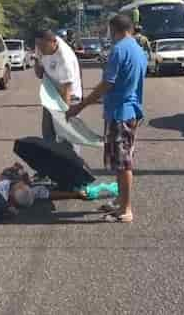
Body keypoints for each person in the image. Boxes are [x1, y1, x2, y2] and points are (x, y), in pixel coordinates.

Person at [67, 15, 146, 224]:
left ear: (115, 29)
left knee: (123, 163)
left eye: (110, 31)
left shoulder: (119, 50)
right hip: (131, 111)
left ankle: (126, 209)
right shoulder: (138, 49)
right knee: (120, 161)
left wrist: (81, 105)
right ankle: (120, 200)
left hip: (120, 113)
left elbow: (106, 84)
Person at [33, 29, 83, 151]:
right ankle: (52, 166)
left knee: (69, 138)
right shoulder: (41, 48)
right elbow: (40, 74)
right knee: (48, 135)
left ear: (54, 42)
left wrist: (64, 118)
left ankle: (73, 167)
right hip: (52, 97)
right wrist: (36, 60)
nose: (41, 49)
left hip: (69, 99)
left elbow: (67, 90)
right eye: (38, 46)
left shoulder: (65, 58)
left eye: (43, 46)